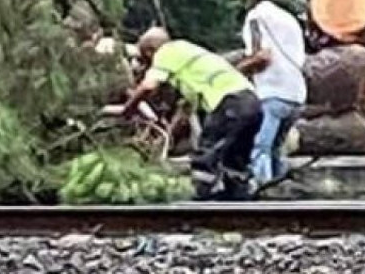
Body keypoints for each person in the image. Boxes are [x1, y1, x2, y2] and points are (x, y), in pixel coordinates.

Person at [103, 27, 261, 200]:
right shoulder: (190, 53)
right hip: (253, 102)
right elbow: (184, 110)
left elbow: (148, 86)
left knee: (206, 155)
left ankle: (197, 198)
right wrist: (167, 137)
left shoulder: (166, 52)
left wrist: (128, 109)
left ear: (150, 51)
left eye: (144, 58)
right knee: (235, 159)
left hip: (230, 102)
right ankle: (238, 200)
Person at [237, 0, 307, 192]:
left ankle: (263, 195)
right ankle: (281, 194)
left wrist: (237, 71)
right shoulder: (288, 18)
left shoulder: (256, 17)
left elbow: (262, 56)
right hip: (296, 93)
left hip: (273, 91)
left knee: (261, 147)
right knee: (276, 148)